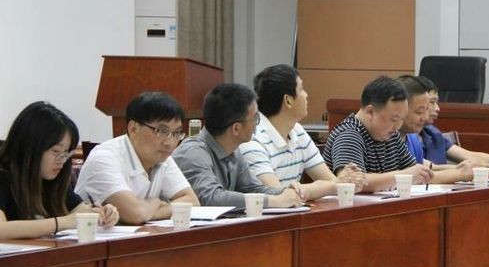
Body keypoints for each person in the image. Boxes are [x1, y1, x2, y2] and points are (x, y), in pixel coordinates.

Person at [240, 65, 365, 201]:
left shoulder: (297, 131)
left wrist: (346, 179)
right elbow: (279, 195)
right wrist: (336, 184)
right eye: (301, 89)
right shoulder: (252, 140)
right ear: (288, 100)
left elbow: (331, 181)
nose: (306, 95)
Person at [75, 92, 199, 225]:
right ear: (133, 129)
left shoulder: (161, 156)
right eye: (162, 131)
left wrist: (150, 211)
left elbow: (192, 201)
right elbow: (135, 214)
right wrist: (156, 204)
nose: (170, 142)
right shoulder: (104, 158)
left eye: (176, 133)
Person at [172, 83, 303, 208]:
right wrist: (274, 201)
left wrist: (284, 193)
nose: (257, 123)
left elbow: (252, 188)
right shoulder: (193, 152)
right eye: (255, 118)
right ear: (236, 128)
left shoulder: (233, 149)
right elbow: (211, 198)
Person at [0, 102, 118, 239]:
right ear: (30, 147)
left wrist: (101, 213)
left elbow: (79, 210)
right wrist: (63, 222)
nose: (62, 160)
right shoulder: (3, 175)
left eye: (66, 153)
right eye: (55, 151)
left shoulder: (52, 178)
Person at [323, 76, 433, 192]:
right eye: (394, 119)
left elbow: (414, 172)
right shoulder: (348, 135)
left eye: (402, 119)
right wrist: (404, 175)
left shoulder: (391, 135)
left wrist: (418, 174)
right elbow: (353, 181)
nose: (397, 127)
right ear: (370, 112)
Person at [404, 75, 489, 178]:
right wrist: (483, 169)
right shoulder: (403, 139)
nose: (437, 108)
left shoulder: (432, 133)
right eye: (432, 102)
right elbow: (423, 173)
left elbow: (468, 155)